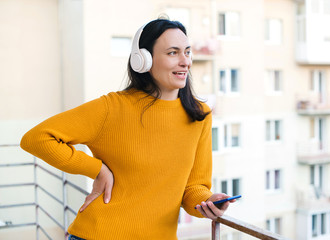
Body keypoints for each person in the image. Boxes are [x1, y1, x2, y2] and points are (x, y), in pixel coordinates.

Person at [20, 18, 236, 240]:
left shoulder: (199, 115)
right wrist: (97, 169)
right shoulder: (112, 107)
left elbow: (193, 188)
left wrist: (208, 201)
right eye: (173, 53)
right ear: (143, 60)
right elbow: (36, 138)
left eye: (187, 52)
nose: (185, 61)